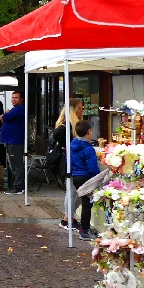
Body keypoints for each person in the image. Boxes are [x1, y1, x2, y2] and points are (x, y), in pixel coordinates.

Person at [52, 98, 84, 229]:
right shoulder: (67, 125)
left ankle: (68, 218)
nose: (82, 111)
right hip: (70, 161)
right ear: (74, 110)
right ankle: (68, 219)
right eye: (80, 108)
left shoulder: (72, 124)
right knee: (72, 191)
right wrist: (68, 145)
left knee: (75, 191)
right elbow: (57, 133)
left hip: (73, 161)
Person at [69, 120, 101, 241]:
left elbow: (69, 161)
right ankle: (85, 230)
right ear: (89, 131)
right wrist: (98, 177)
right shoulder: (88, 149)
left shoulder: (73, 144)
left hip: (76, 176)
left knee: (84, 202)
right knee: (87, 204)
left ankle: (84, 227)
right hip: (85, 177)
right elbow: (92, 167)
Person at [0, 90, 26, 196]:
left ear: (21, 99)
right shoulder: (15, 109)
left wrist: (6, 114)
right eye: (13, 97)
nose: (13, 99)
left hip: (15, 141)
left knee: (16, 165)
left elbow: (5, 117)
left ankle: (18, 187)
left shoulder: (19, 109)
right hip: (11, 140)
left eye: (16, 97)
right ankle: (18, 185)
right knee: (14, 164)